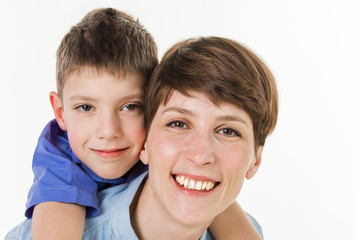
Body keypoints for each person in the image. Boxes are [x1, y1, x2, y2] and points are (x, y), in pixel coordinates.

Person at [15, 7, 263, 240]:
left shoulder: (168, 146)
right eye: (86, 107)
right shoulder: (59, 157)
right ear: (60, 112)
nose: (108, 131)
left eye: (130, 107)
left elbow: (219, 202)